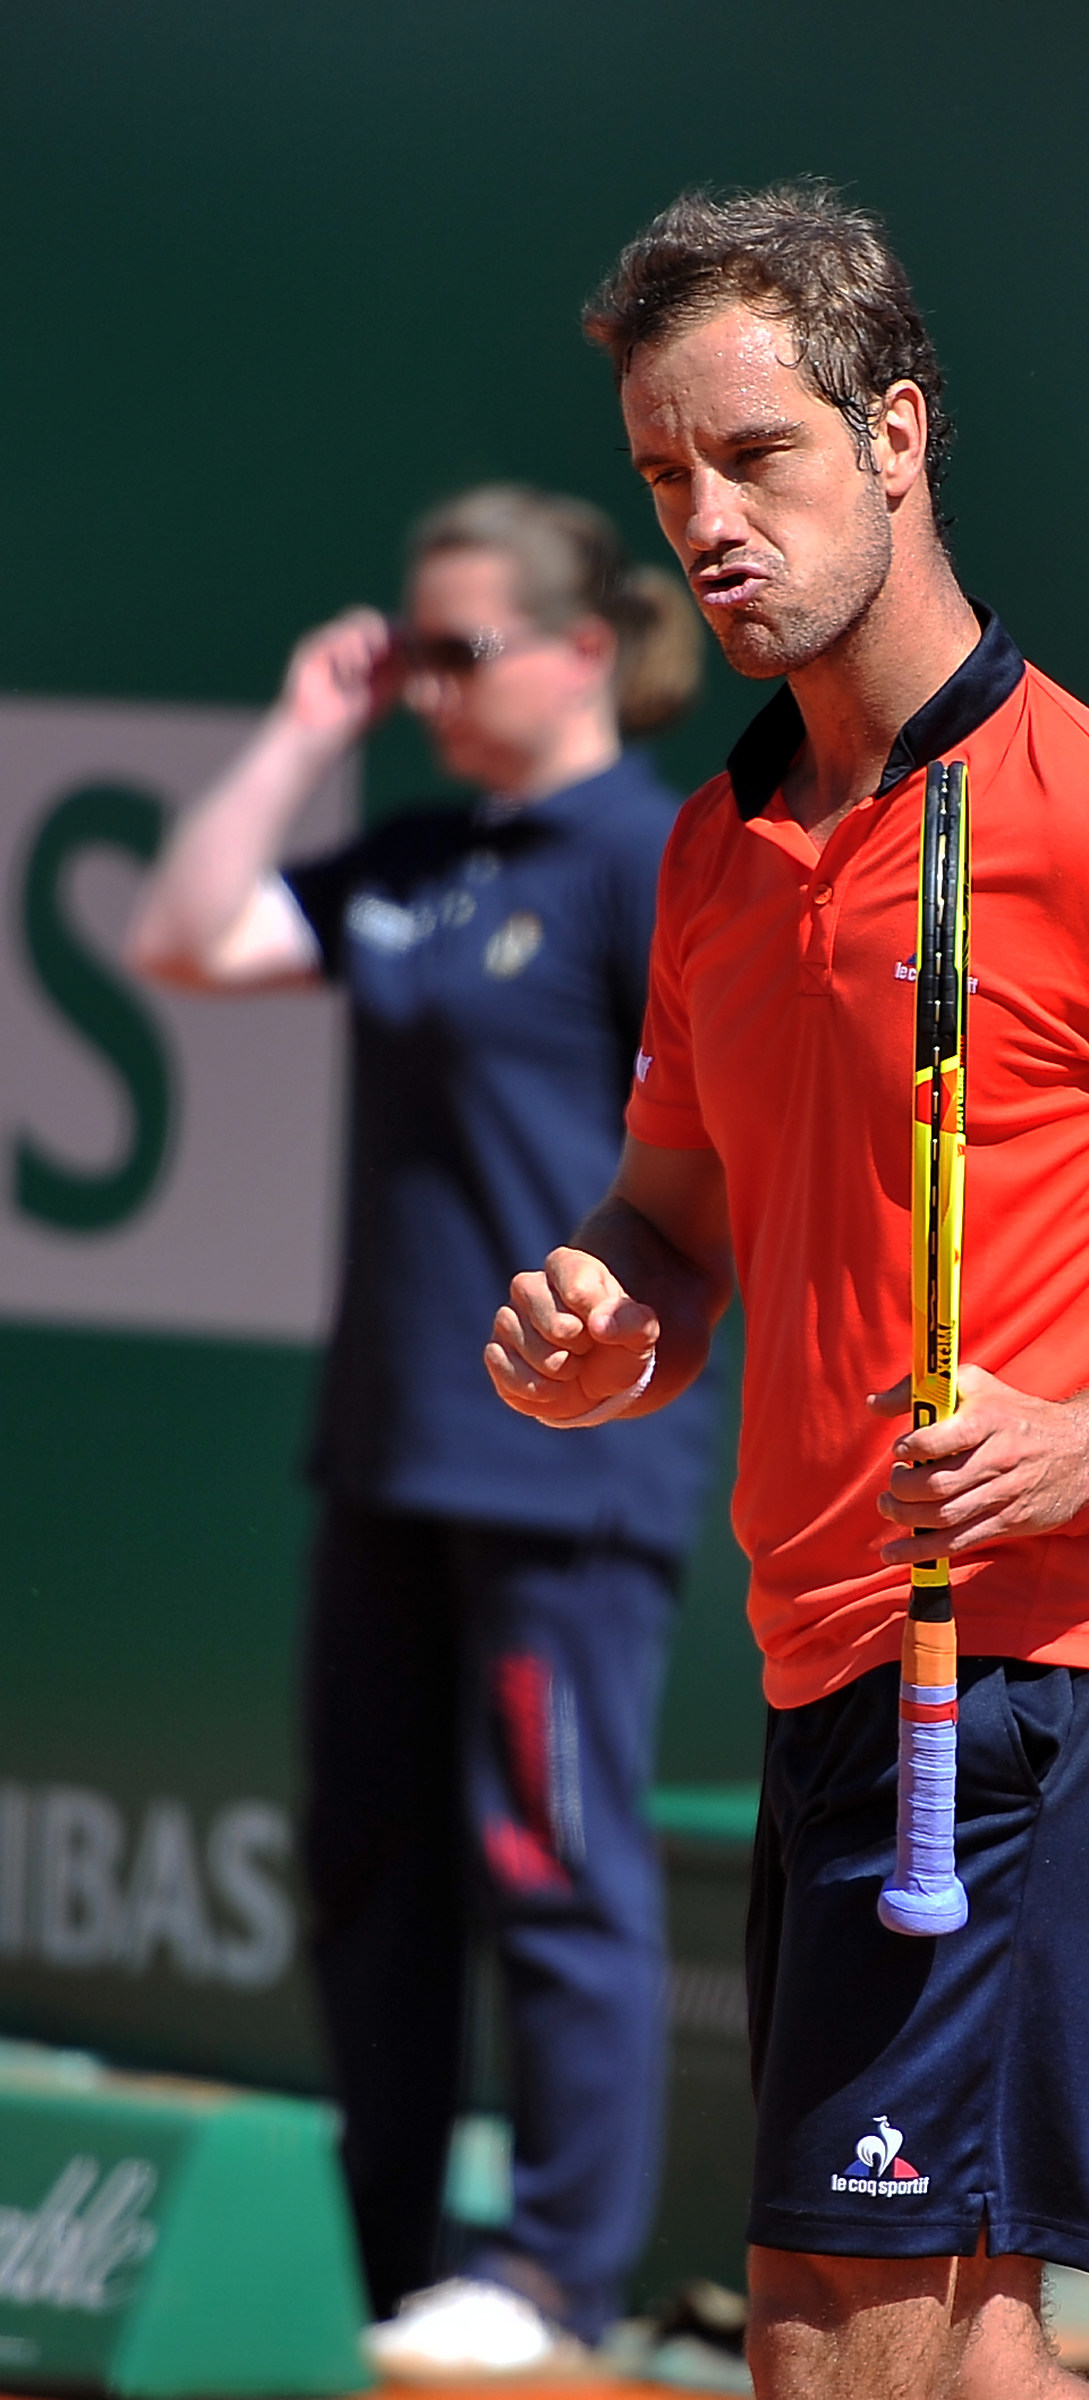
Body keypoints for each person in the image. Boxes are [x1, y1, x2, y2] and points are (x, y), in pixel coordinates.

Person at [483, 188, 1089, 2400]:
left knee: (873, 2357)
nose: (707, 526)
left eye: (756, 460)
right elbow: (677, 1224)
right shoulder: (713, 846)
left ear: (896, 434)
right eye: (665, 481)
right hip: (838, 1661)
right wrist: (607, 1324)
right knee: (878, 2353)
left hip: (1053, 1670)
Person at [126, 485, 719, 2377]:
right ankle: (394, 2261)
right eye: (408, 654)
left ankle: (559, 2275)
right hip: (382, 1453)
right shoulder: (409, 850)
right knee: (373, 1867)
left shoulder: (654, 861)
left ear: (577, 653)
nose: (423, 687)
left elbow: (720, 1183)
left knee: (551, 1861)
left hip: (569, 1468)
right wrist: (310, 724)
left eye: (455, 653)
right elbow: (185, 935)